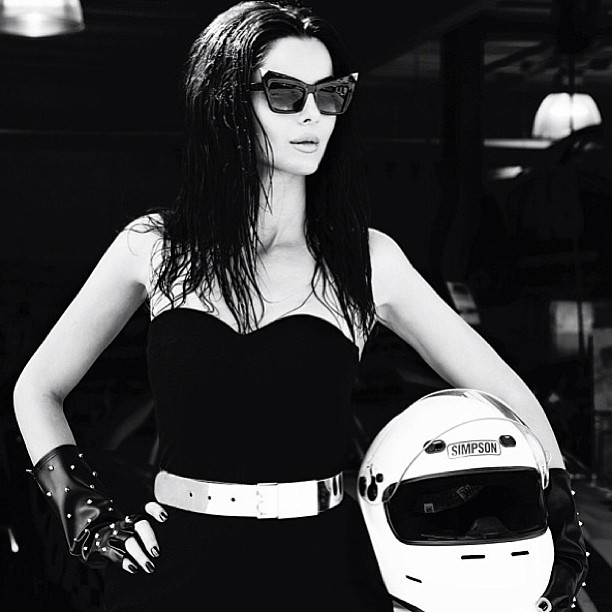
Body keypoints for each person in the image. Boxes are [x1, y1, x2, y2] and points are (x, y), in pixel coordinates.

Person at [12, 2, 587, 611]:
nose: (314, 114)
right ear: (228, 103)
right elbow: (37, 389)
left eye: (330, 93)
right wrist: (82, 507)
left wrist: (564, 525)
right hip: (174, 568)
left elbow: (510, 396)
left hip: (327, 568)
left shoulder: (367, 260)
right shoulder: (152, 247)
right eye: (286, 94)